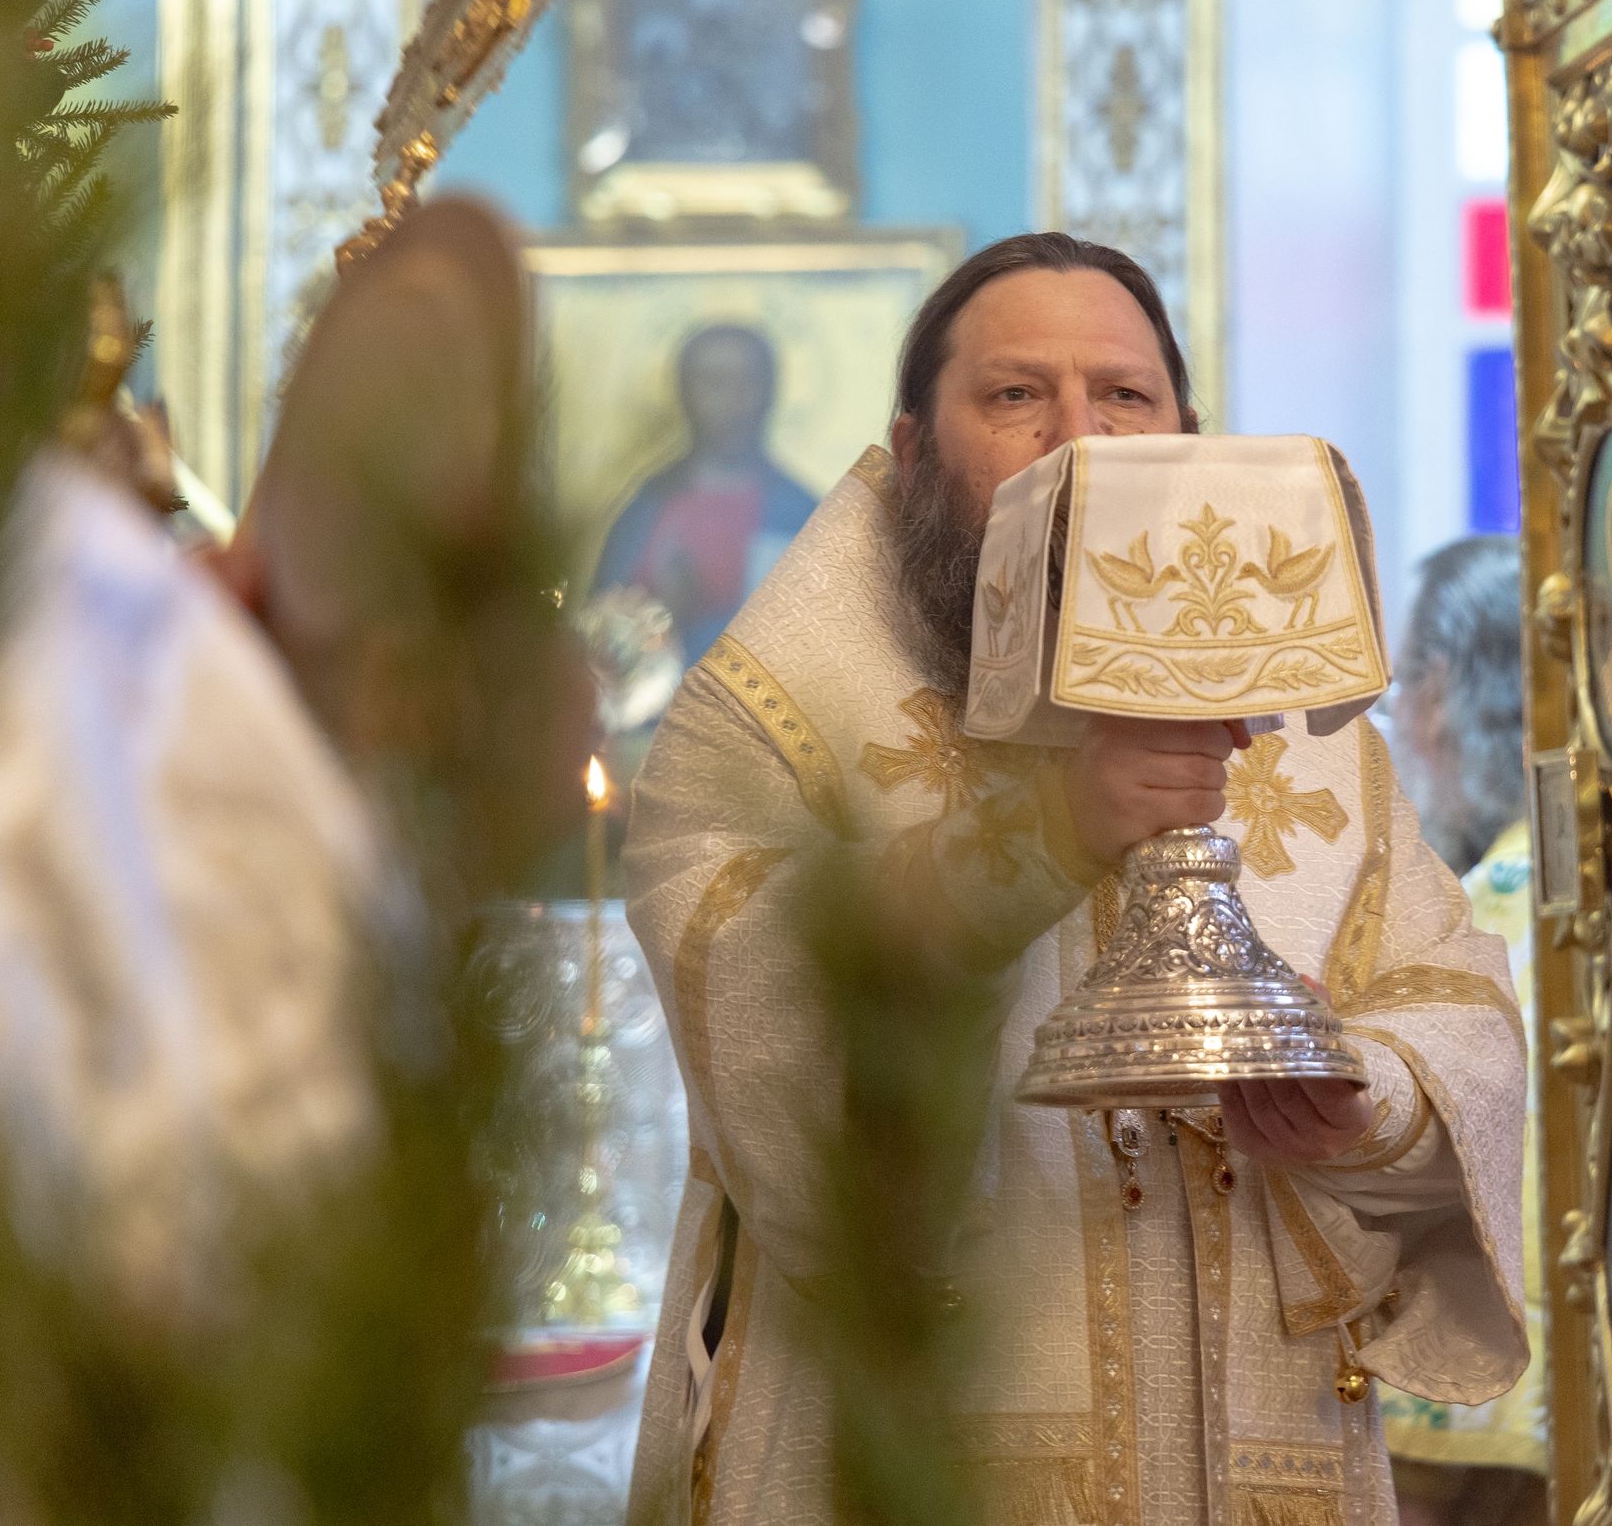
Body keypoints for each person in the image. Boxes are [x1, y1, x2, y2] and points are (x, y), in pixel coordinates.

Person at [622, 232, 1532, 1526]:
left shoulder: (1317, 742)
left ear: (1185, 437)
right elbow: (761, 1030)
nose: (1079, 439)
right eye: (1014, 395)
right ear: (912, 449)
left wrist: (1361, 1103)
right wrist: (1042, 836)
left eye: (1123, 395)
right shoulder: (776, 723)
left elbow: (1462, 1010)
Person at [1382, 536, 1549, 1526]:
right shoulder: (1601, 896)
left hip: (1463, 1430)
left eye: (1404, 681)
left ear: (1441, 695)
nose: (1397, 714)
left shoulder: (1470, 927)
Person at [591, 323, 818, 661]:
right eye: (714, 382)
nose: (734, 401)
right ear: (684, 394)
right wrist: (664, 615)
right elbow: (601, 636)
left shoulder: (801, 514)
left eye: (749, 380)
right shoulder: (647, 509)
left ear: (770, 391)